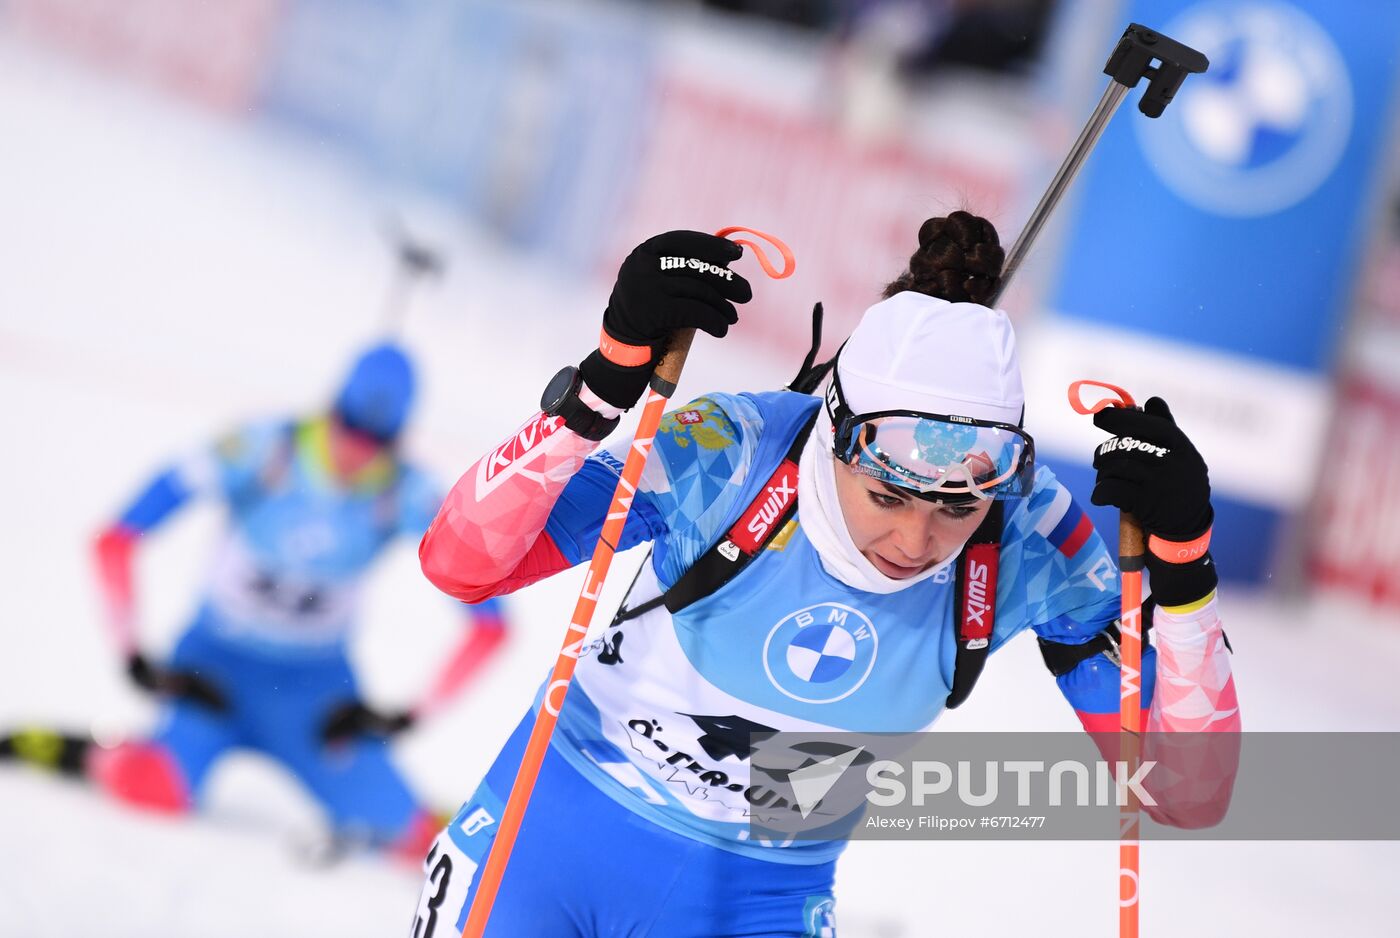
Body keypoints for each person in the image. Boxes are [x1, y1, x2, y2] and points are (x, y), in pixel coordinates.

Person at [411, 216, 1240, 935]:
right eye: (886, 494)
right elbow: (460, 567)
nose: (916, 539)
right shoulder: (732, 453)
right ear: (831, 435)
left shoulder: (1029, 537)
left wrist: (1186, 575)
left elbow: (1185, 792)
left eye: (957, 510)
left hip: (763, 900)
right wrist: (600, 386)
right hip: (544, 850)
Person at [0, 341, 508, 861]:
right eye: (349, 425)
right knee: (153, 789)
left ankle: (489, 828)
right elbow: (117, 538)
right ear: (332, 407)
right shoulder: (262, 448)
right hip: (212, 671)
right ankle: (87, 753)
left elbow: (490, 625)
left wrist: (405, 716)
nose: (357, 450)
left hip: (314, 695)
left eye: (377, 439)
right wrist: (135, 658)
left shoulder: (408, 493)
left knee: (414, 838)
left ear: (398, 438)